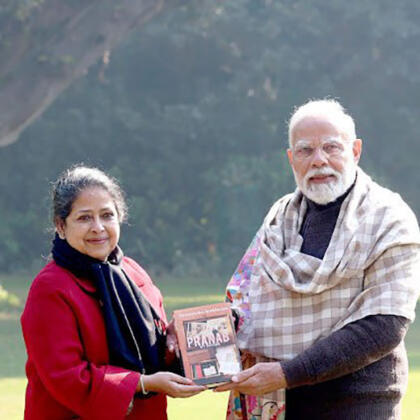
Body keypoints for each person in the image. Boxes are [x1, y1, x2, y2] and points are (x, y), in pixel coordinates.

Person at [215, 99, 420, 420]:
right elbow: (241, 301)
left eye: (331, 147)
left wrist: (289, 372)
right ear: (291, 159)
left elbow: (385, 323)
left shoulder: (389, 218)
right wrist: (191, 339)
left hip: (359, 402)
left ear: (355, 151)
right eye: (305, 150)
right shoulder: (278, 218)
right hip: (278, 402)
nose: (319, 160)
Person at [21, 165, 204, 420]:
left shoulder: (133, 273)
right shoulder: (50, 288)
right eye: (84, 218)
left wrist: (176, 340)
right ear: (61, 226)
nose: (98, 227)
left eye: (107, 215)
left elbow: (154, 348)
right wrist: (143, 384)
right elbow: (67, 377)